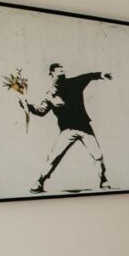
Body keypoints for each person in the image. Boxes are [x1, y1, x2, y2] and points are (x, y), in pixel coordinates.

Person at [20, 63, 113, 194]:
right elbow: (41, 111)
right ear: (51, 74)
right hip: (67, 130)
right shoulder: (49, 95)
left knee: (98, 155)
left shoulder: (74, 83)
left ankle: (103, 180)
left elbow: (88, 76)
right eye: (59, 71)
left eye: (63, 71)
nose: (62, 73)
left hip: (84, 127)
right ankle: (39, 183)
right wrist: (26, 105)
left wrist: (102, 75)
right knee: (53, 157)